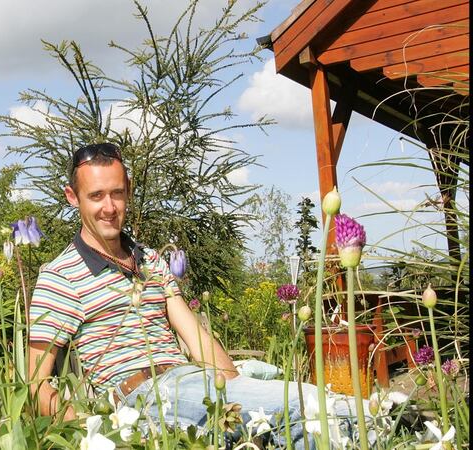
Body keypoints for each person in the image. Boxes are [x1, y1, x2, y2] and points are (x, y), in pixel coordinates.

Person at [27, 143, 359, 448]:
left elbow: (196, 338)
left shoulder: (150, 260)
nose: (110, 207)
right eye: (96, 196)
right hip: (142, 398)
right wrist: (93, 434)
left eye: (117, 193)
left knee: (335, 407)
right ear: (73, 197)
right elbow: (35, 384)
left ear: (129, 191)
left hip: (190, 382)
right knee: (305, 410)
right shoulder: (61, 276)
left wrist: (235, 386)